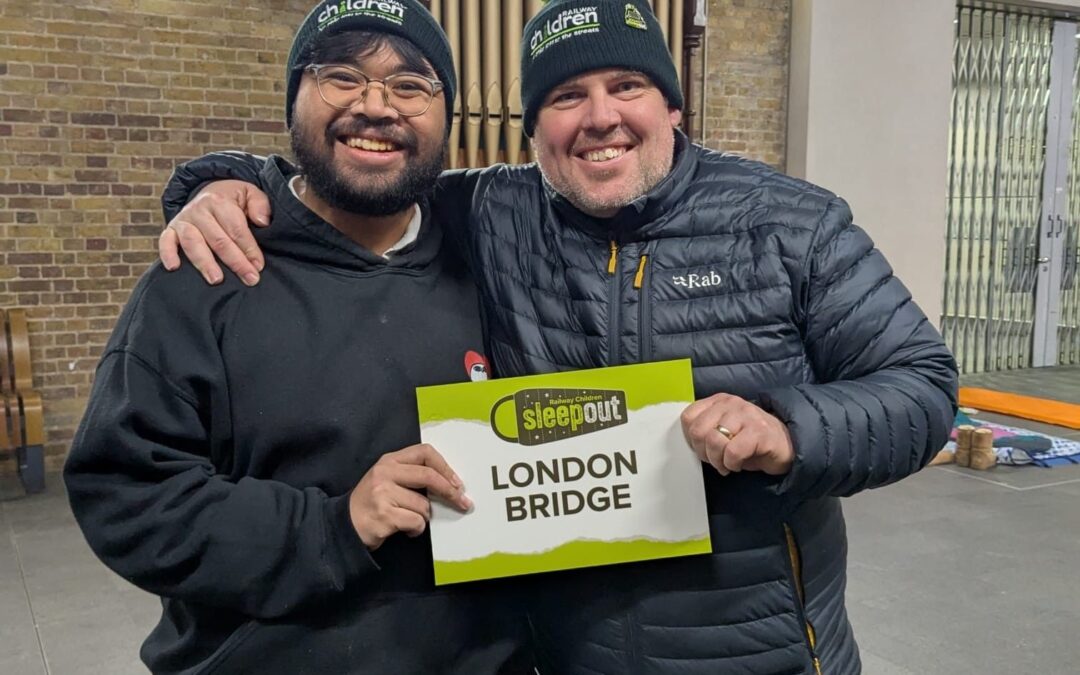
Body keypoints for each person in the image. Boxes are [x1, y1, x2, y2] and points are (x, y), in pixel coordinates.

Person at [158, 1, 959, 673]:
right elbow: (365, 168)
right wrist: (228, 183)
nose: (601, 117)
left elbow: (922, 387)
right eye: (567, 95)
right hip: (569, 652)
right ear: (533, 127)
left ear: (672, 105)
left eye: (628, 85)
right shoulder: (493, 212)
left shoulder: (792, 223)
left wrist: (790, 430)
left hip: (762, 650)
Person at [63, 2, 536, 673]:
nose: (376, 106)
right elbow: (127, 495)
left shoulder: (487, 260)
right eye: (342, 76)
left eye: (411, 85)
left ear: (447, 117)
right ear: (293, 99)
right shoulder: (208, 271)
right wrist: (332, 528)